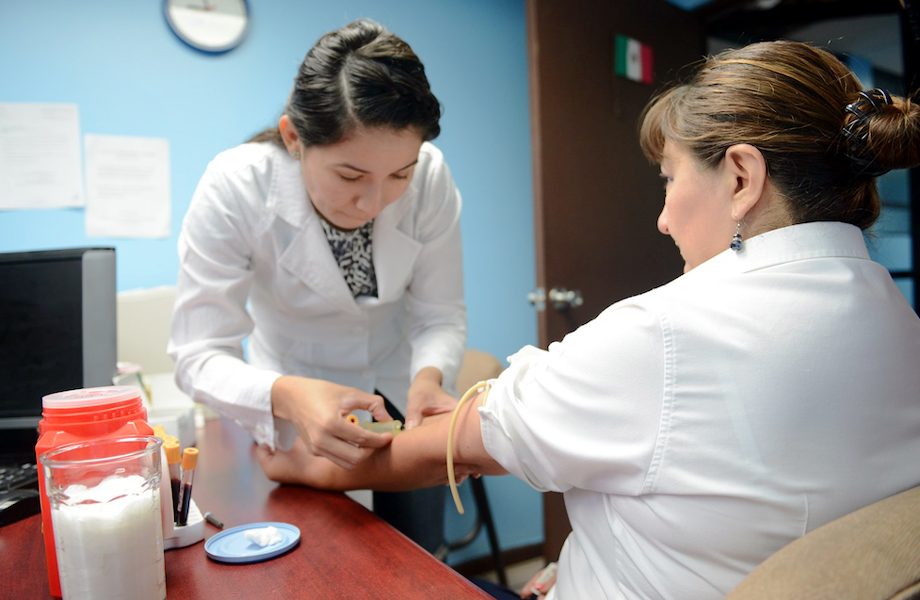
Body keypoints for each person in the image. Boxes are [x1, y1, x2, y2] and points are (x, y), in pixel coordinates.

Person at [255, 40, 920, 600]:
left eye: (668, 179)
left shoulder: (665, 334)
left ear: (741, 177)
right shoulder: (898, 322)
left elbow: (439, 451)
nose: (663, 218)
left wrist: (299, 468)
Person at [168, 19, 466, 554]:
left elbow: (439, 314)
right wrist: (287, 394)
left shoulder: (433, 178)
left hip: (398, 395)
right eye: (350, 177)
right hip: (291, 407)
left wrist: (429, 379)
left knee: (420, 561)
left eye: (400, 174)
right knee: (320, 565)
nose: (375, 203)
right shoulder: (237, 185)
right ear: (293, 138)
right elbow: (196, 353)